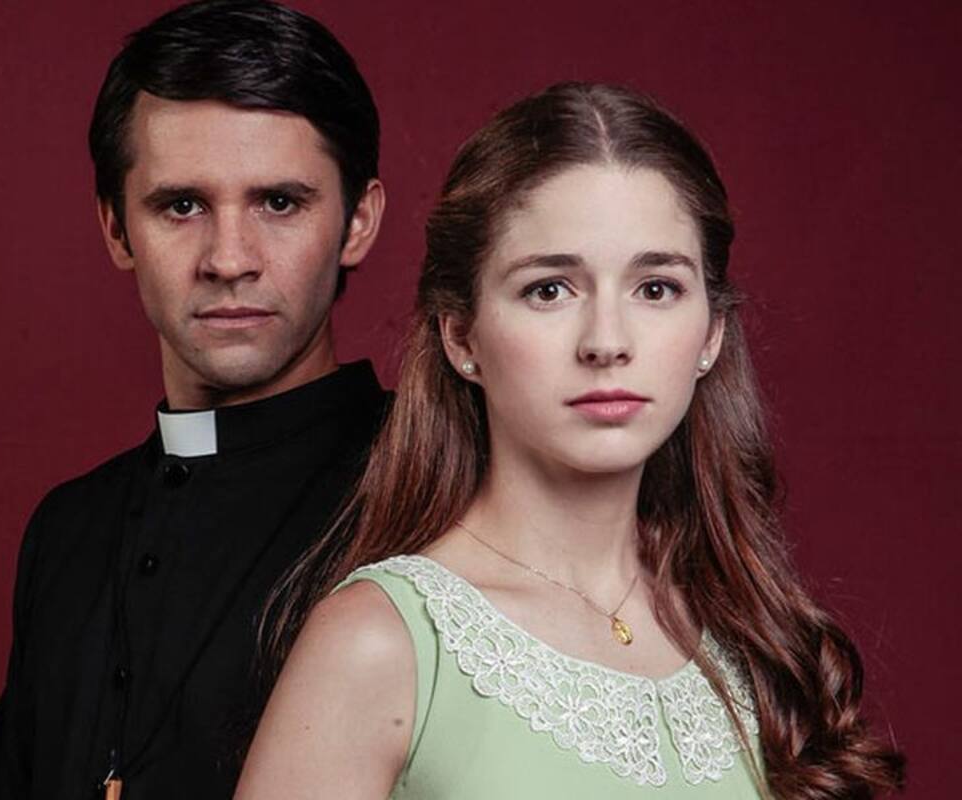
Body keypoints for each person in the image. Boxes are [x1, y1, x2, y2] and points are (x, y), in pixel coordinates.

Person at [236, 83, 905, 799]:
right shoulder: (380, 643)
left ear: (711, 332)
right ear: (461, 336)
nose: (607, 342)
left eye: (656, 288)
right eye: (550, 289)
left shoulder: (754, 638)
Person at [0, 1, 388, 798]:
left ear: (358, 221)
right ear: (116, 229)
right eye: (182, 205)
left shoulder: (445, 483)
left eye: (279, 202)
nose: (228, 259)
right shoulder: (69, 529)